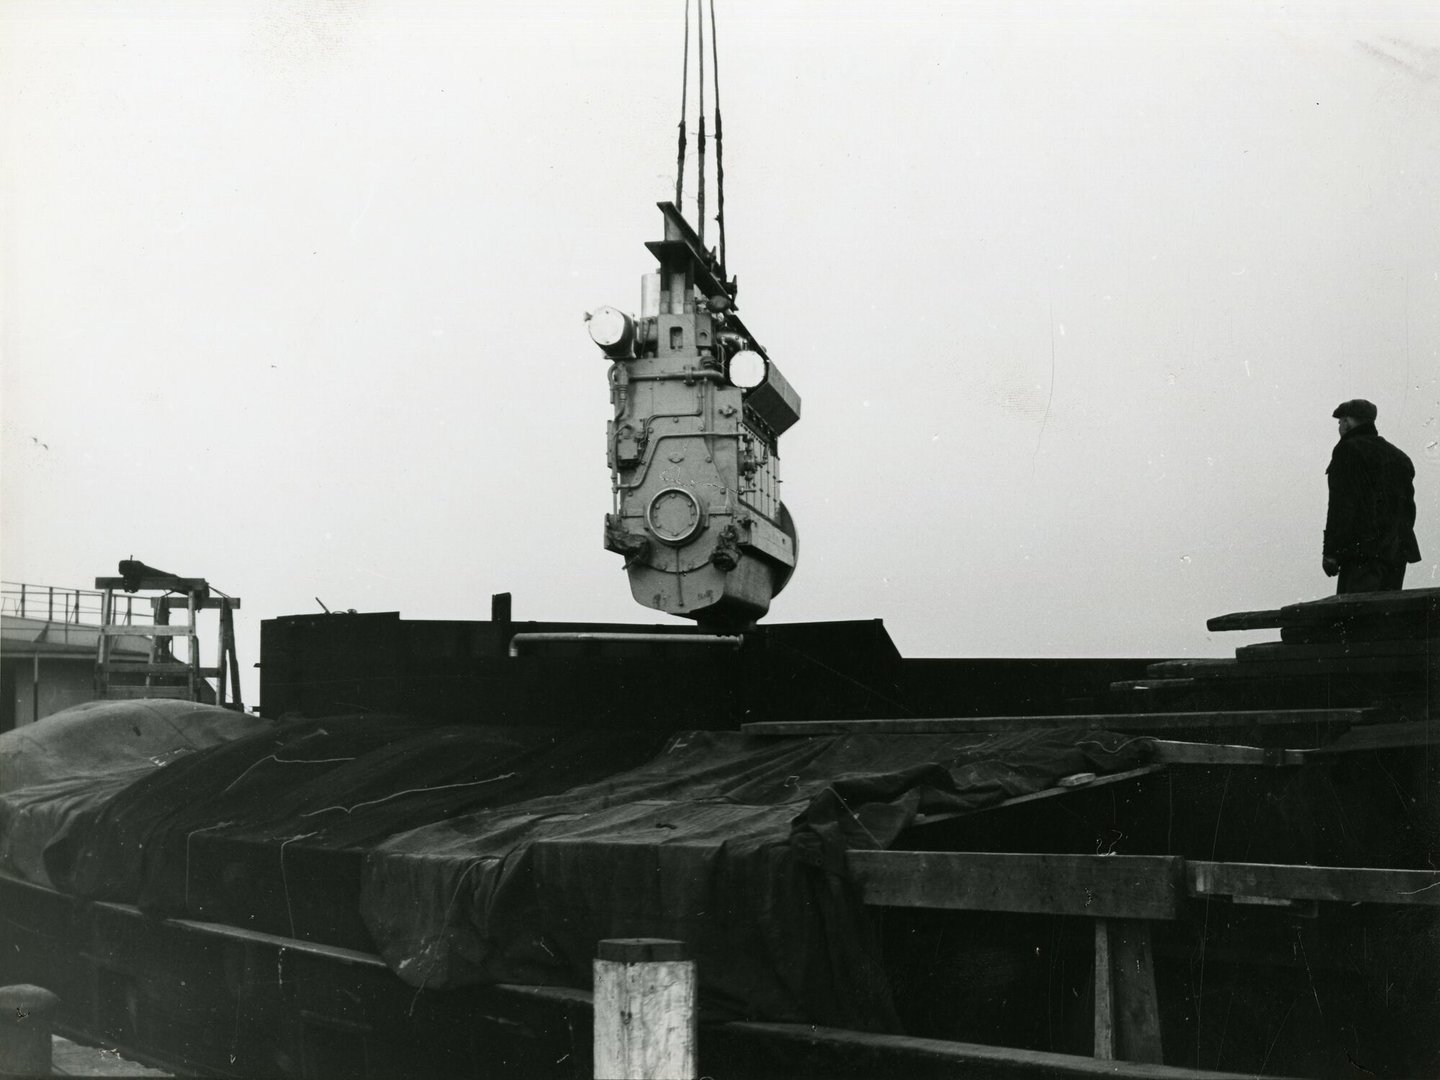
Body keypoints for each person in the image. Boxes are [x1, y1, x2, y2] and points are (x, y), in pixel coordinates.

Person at [1322, 399, 1421, 593]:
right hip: (1396, 553)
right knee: (1386, 618)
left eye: (1340, 422)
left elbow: (1342, 505)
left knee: (1354, 617)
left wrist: (1331, 552)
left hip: (1362, 555)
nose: (1340, 427)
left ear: (1347, 422)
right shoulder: (1399, 456)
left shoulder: (1347, 449)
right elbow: (1408, 508)